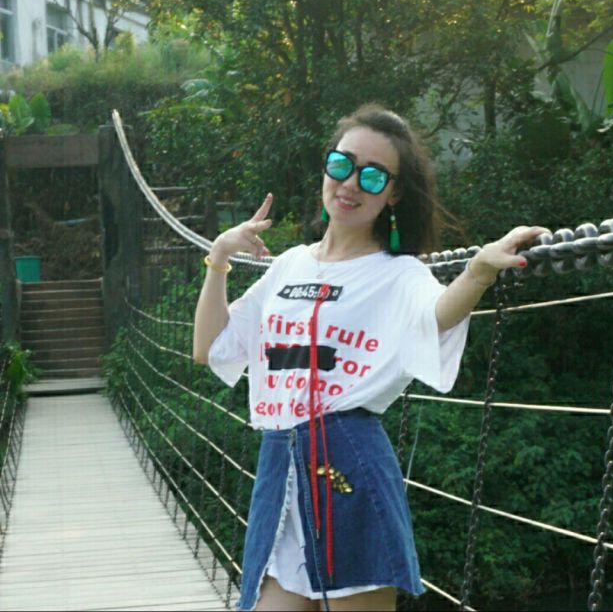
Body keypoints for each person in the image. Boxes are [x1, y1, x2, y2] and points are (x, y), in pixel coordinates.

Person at [193, 104, 547, 612]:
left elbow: (437, 315)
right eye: (342, 164)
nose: (351, 183)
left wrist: (478, 272)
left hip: (348, 465)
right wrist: (220, 257)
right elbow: (209, 348)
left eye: (373, 175)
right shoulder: (289, 265)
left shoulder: (398, 274)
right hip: (280, 469)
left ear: (394, 194)